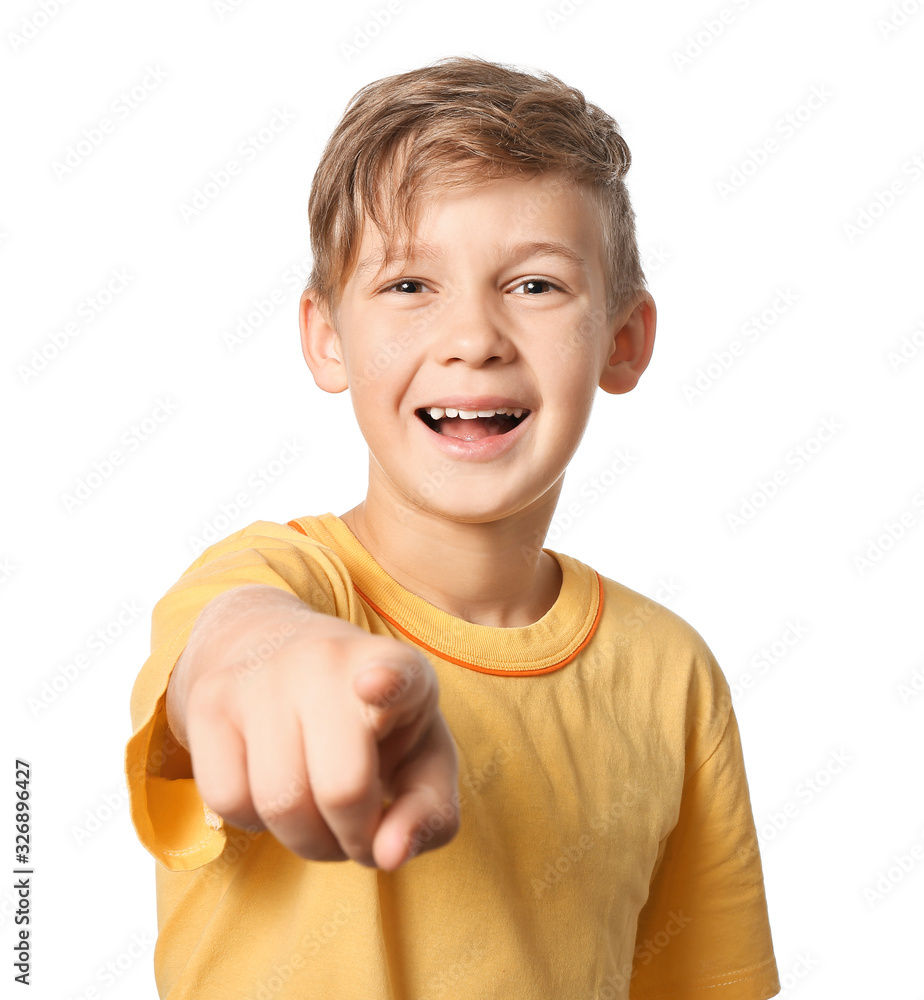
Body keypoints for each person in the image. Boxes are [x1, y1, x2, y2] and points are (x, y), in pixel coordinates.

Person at [125, 54, 781, 999]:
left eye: (535, 286)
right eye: (407, 286)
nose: (474, 336)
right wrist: (290, 671)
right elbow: (233, 648)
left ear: (624, 340)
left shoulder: (674, 675)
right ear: (326, 337)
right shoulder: (275, 580)